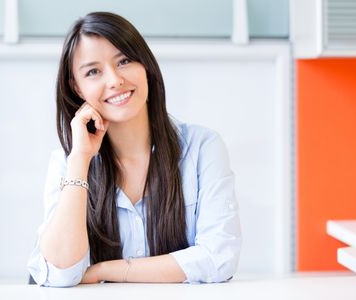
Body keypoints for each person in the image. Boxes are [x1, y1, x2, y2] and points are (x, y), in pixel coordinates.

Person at [27, 12, 241, 287]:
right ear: (77, 88)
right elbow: (59, 272)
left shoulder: (202, 148)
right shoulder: (67, 161)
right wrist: (80, 158)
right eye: (93, 72)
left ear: (146, 66)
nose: (114, 80)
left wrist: (105, 270)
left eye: (124, 61)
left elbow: (218, 258)